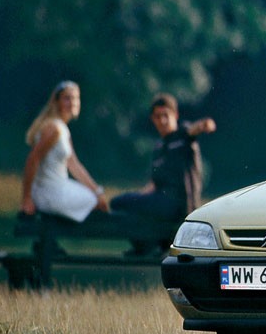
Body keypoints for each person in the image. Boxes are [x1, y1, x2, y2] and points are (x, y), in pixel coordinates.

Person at [111, 93, 216, 253]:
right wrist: (138, 197)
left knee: (120, 202)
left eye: (166, 115)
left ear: (175, 115)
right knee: (120, 204)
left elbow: (194, 129)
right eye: (158, 117)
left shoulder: (183, 136)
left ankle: (148, 247)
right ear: (153, 119)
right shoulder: (159, 147)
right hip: (161, 202)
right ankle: (146, 246)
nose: (162, 121)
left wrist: (205, 125)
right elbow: (153, 184)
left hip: (181, 204)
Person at [21, 80, 109, 222]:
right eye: (67, 98)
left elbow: (73, 164)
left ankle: (56, 238)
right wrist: (26, 199)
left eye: (75, 98)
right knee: (95, 202)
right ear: (57, 102)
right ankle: (53, 234)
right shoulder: (53, 129)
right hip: (49, 192)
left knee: (96, 199)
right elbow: (33, 159)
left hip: (58, 188)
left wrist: (97, 191)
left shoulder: (63, 128)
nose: (73, 102)